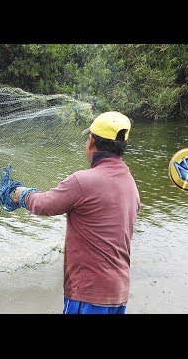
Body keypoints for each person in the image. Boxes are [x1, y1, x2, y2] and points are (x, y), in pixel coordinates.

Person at [10, 111, 140, 314]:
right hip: (118, 292)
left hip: (88, 292)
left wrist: (22, 195)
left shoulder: (83, 181)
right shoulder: (129, 182)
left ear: (91, 142)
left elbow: (45, 205)